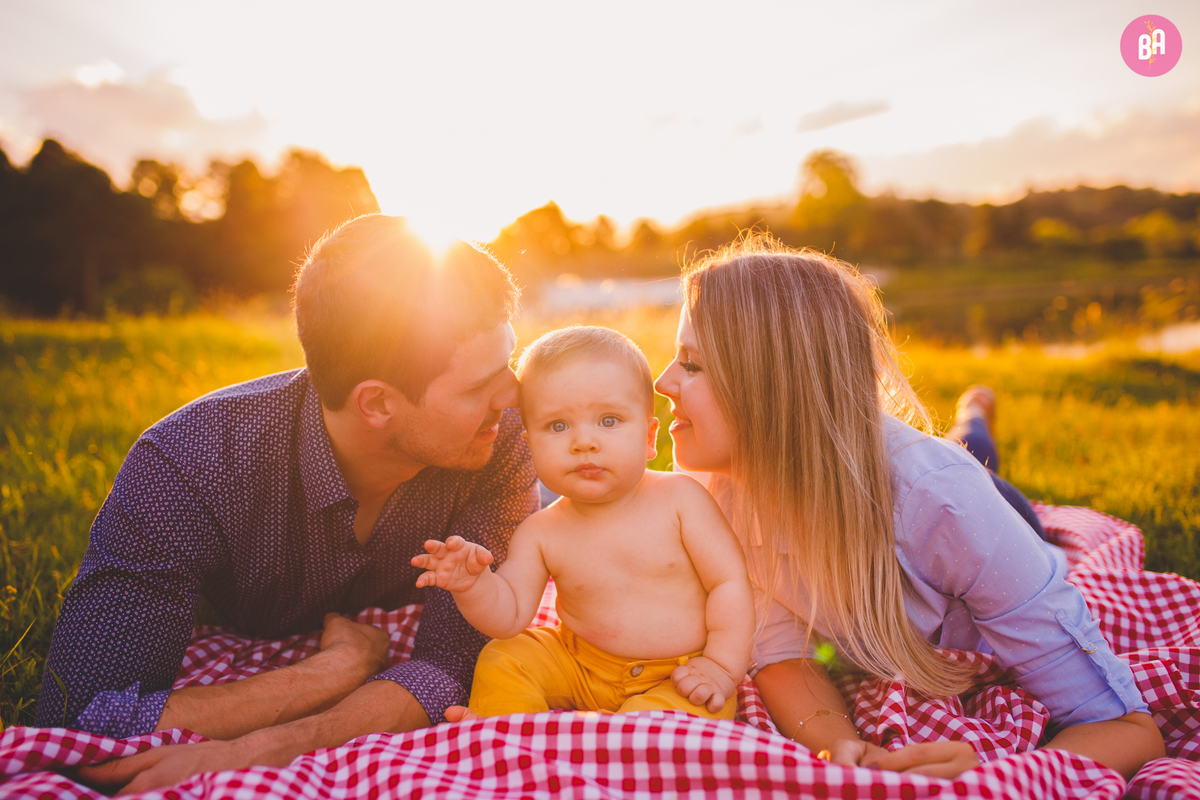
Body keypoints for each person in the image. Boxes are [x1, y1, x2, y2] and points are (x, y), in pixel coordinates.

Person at [52, 214, 540, 793]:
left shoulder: (506, 438)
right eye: (479, 384)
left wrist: (269, 748)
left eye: (511, 359)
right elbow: (85, 715)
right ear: (377, 403)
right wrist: (333, 670)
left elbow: (453, 665)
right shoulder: (189, 462)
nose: (516, 395)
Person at [652, 235, 1165, 780]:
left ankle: (976, 410)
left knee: (975, 458)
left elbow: (1129, 729)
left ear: (775, 383)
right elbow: (780, 652)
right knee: (962, 447)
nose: (662, 382)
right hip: (876, 472)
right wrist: (845, 749)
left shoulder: (944, 502)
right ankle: (971, 417)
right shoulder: (712, 485)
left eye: (692, 364)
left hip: (991, 506)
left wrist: (993, 779)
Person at [413, 326, 754, 720]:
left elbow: (729, 583)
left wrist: (721, 666)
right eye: (558, 426)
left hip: (680, 673)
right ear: (530, 445)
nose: (584, 442)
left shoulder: (683, 500)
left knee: (675, 715)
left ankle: (628, 736)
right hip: (578, 665)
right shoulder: (541, 531)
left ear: (649, 436)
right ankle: (504, 727)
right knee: (505, 655)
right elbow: (508, 617)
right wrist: (474, 584)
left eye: (608, 420)